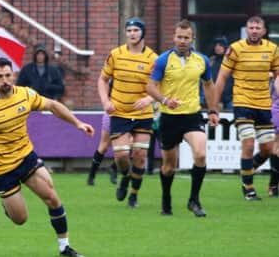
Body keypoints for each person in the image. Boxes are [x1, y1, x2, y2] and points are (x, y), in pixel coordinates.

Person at [0, 57, 94, 257]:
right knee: (20, 219)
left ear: (14, 75)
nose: (4, 80)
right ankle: (6, 203)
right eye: (0, 76)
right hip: (2, 169)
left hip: (26, 157)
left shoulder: (25, 94)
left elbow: (53, 105)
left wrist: (78, 123)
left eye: (8, 75)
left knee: (52, 197)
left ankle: (65, 247)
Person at [147, 19, 219, 217]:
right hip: (170, 118)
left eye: (186, 37)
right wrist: (164, 99)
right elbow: (150, 86)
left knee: (201, 154)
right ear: (174, 37)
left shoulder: (202, 60)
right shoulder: (163, 60)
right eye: (179, 37)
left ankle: (194, 200)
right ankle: (166, 201)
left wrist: (212, 110)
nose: (182, 41)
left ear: (192, 39)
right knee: (169, 166)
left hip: (192, 116)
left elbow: (209, 85)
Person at [215, 16, 279, 201]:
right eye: (251, 27)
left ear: (264, 31)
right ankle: (248, 188)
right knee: (249, 143)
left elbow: (277, 75)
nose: (254, 31)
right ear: (246, 30)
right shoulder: (235, 49)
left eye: (257, 28)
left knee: (267, 148)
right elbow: (222, 78)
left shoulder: (272, 49)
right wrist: (214, 105)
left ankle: (247, 169)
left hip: (264, 104)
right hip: (242, 102)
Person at [97, 18, 157, 208]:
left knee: (140, 155)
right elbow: (102, 80)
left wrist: (149, 99)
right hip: (120, 113)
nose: (132, 34)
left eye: (136, 30)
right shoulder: (115, 54)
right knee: (121, 156)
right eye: (129, 30)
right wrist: (106, 101)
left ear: (142, 33)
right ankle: (125, 176)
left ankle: (133, 196)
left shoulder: (152, 58)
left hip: (143, 114)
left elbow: (160, 85)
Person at [86, 111, 117, 186]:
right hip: (112, 114)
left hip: (129, 116)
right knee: (104, 147)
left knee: (127, 146)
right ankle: (91, 175)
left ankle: (113, 167)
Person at [211, 36, 233, 110]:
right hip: (214, 99)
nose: (217, 47)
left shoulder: (230, 61)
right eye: (216, 45)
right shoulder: (211, 62)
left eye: (220, 45)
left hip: (230, 99)